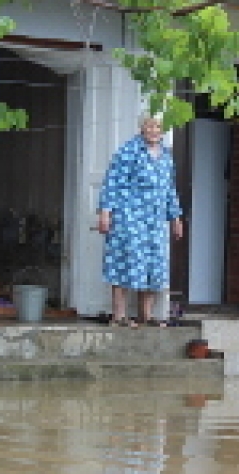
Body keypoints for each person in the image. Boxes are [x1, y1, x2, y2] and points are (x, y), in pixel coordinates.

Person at [97, 116, 183, 327]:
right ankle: (119, 316)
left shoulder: (165, 156)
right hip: (129, 216)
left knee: (154, 263)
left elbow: (170, 190)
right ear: (142, 128)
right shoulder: (128, 151)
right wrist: (105, 213)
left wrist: (176, 218)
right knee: (125, 261)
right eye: (150, 126)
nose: (154, 130)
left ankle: (147, 315)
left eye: (158, 127)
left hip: (155, 218)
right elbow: (112, 182)